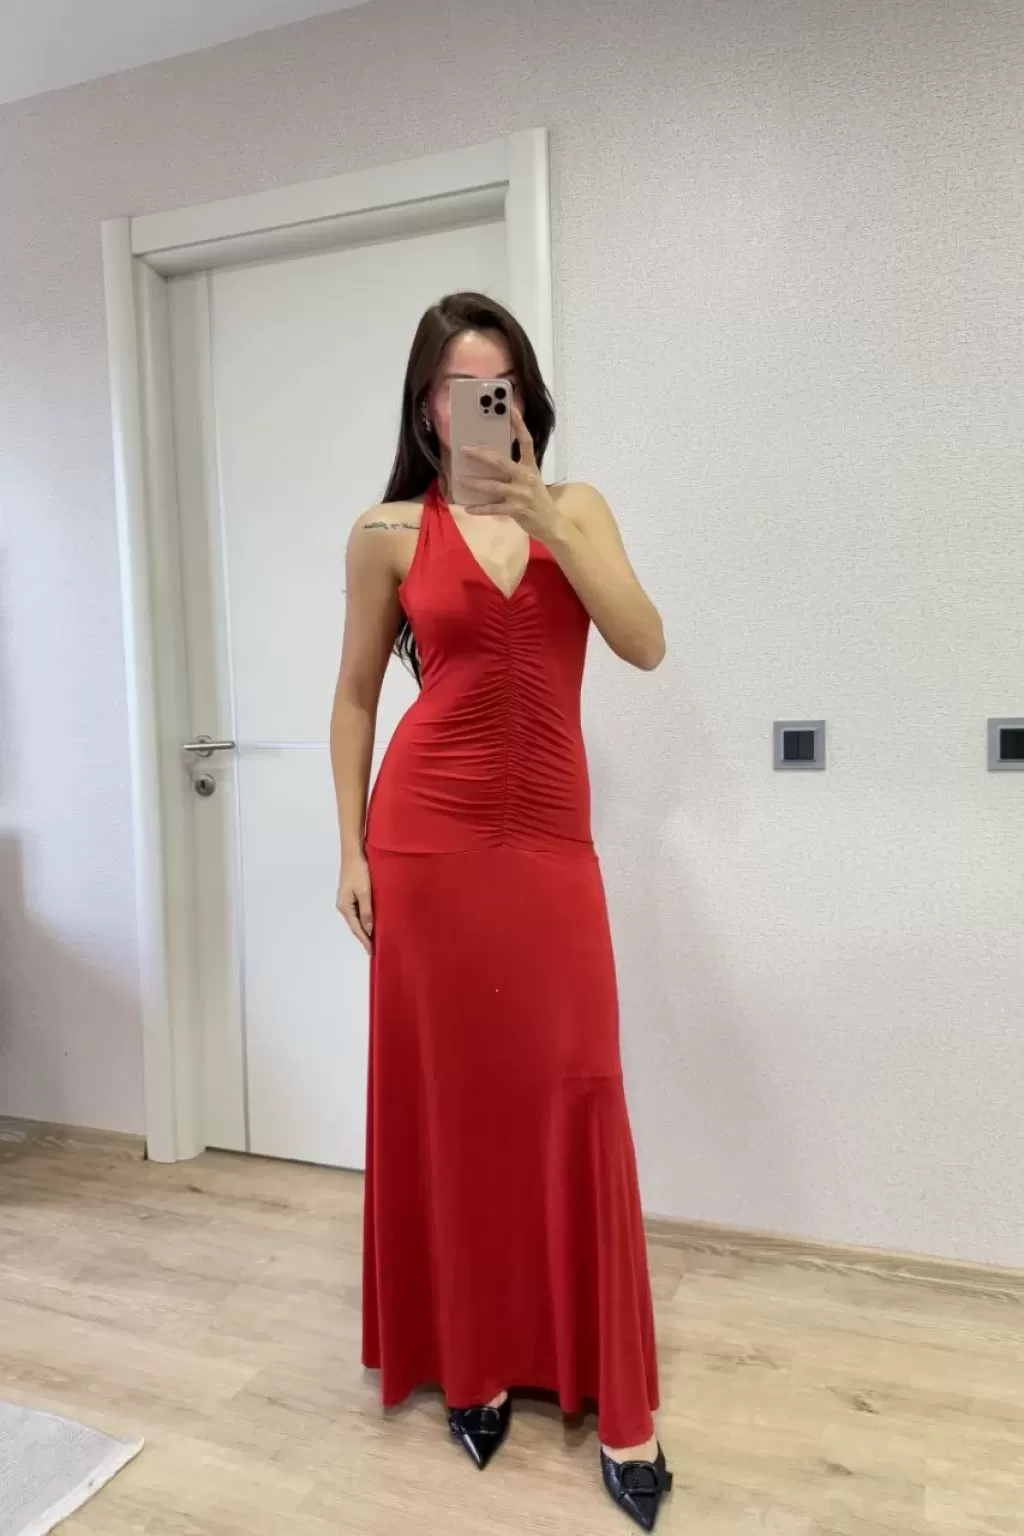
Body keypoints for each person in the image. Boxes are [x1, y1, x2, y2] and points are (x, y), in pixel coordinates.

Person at [330, 292, 672, 1530]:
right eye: (461, 388)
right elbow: (355, 697)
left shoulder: (578, 509)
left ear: (524, 399)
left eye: (504, 385)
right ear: (428, 410)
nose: (486, 405)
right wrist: (349, 847)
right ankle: (470, 1367)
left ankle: (623, 1405)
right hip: (426, 842)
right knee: (455, 1102)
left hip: (548, 849)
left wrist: (551, 526)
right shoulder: (385, 532)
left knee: (581, 1087)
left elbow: (643, 643)